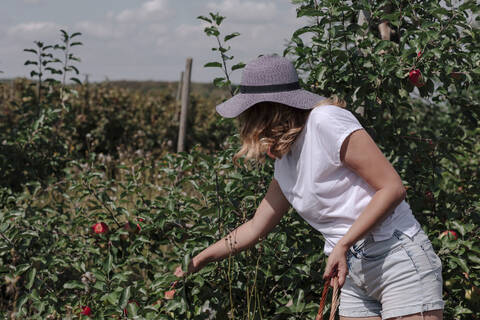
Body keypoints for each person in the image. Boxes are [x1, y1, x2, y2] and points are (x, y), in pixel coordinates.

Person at [174, 55, 444, 320]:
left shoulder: (325, 120)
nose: (244, 123)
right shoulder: (286, 159)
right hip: (351, 267)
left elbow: (392, 188)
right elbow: (256, 227)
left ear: (265, 109)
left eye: (248, 112)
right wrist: (199, 260)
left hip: (395, 254)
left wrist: (344, 243)